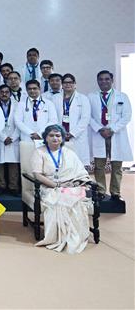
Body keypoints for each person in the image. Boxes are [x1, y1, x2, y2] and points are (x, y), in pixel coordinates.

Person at [32, 125, 94, 253]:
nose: (55, 138)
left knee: (75, 200)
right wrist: (57, 186)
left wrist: (73, 184)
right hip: (49, 187)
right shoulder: (39, 152)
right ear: (46, 138)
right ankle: (59, 237)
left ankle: (74, 235)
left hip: (70, 185)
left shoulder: (69, 153)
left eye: (58, 135)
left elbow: (80, 172)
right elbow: (37, 175)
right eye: (51, 135)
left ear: (62, 138)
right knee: (59, 200)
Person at [88, 70, 132, 201]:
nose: (104, 81)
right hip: (99, 135)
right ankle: (101, 191)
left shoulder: (122, 96)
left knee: (117, 166)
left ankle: (115, 192)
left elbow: (127, 116)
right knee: (99, 165)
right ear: (97, 81)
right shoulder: (91, 97)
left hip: (116, 134)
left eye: (107, 79)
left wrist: (112, 129)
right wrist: (100, 129)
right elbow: (88, 116)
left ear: (112, 81)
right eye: (101, 79)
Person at [52, 74, 91, 164]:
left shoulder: (83, 98)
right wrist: (59, 132)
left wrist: (73, 133)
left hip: (77, 136)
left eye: (70, 82)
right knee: (62, 163)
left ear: (75, 84)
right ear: (62, 84)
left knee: (77, 164)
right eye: (65, 82)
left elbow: (85, 119)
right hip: (60, 134)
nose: (67, 84)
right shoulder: (55, 98)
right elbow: (53, 117)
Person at [14, 80, 59, 152]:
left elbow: (53, 121)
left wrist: (39, 133)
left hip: (44, 136)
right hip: (27, 137)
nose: (32, 91)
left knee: (45, 160)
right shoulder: (21, 104)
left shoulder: (49, 103)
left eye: (34, 88)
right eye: (29, 89)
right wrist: (31, 133)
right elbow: (18, 121)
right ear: (26, 90)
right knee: (27, 161)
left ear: (39, 89)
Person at [0, 84, 21, 195]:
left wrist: (13, 137)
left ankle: (13, 186)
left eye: (7, 92)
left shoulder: (17, 105)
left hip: (13, 138)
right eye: (2, 92)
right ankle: (1, 185)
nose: (4, 94)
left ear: (10, 94)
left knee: (13, 164)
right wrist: (3, 137)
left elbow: (20, 122)